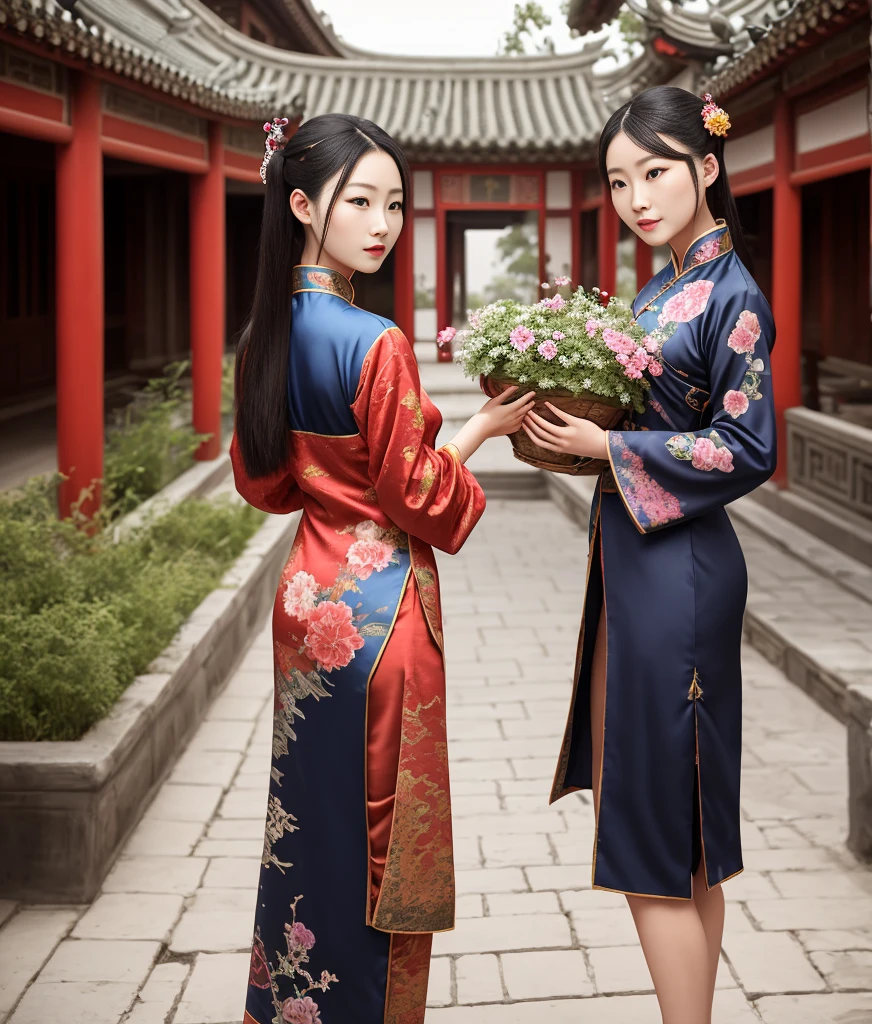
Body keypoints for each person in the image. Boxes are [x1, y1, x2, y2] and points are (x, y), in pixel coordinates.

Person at [230, 112, 532, 1024]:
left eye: (394, 203)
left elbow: (266, 483)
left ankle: (292, 1002)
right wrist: (479, 431)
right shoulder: (376, 342)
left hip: (306, 602)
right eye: (359, 199)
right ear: (301, 205)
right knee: (382, 841)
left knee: (305, 824)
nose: (383, 222)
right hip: (382, 617)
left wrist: (340, 496)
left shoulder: (266, 336)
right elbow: (419, 500)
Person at [523, 86, 777, 1024]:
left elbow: (748, 447)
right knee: (681, 832)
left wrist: (607, 450)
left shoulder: (731, 293)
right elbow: (651, 413)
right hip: (637, 563)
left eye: (656, 172)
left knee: (654, 833)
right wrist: (567, 424)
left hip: (683, 574)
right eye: (619, 180)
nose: (637, 195)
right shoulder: (660, 289)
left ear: (707, 169)